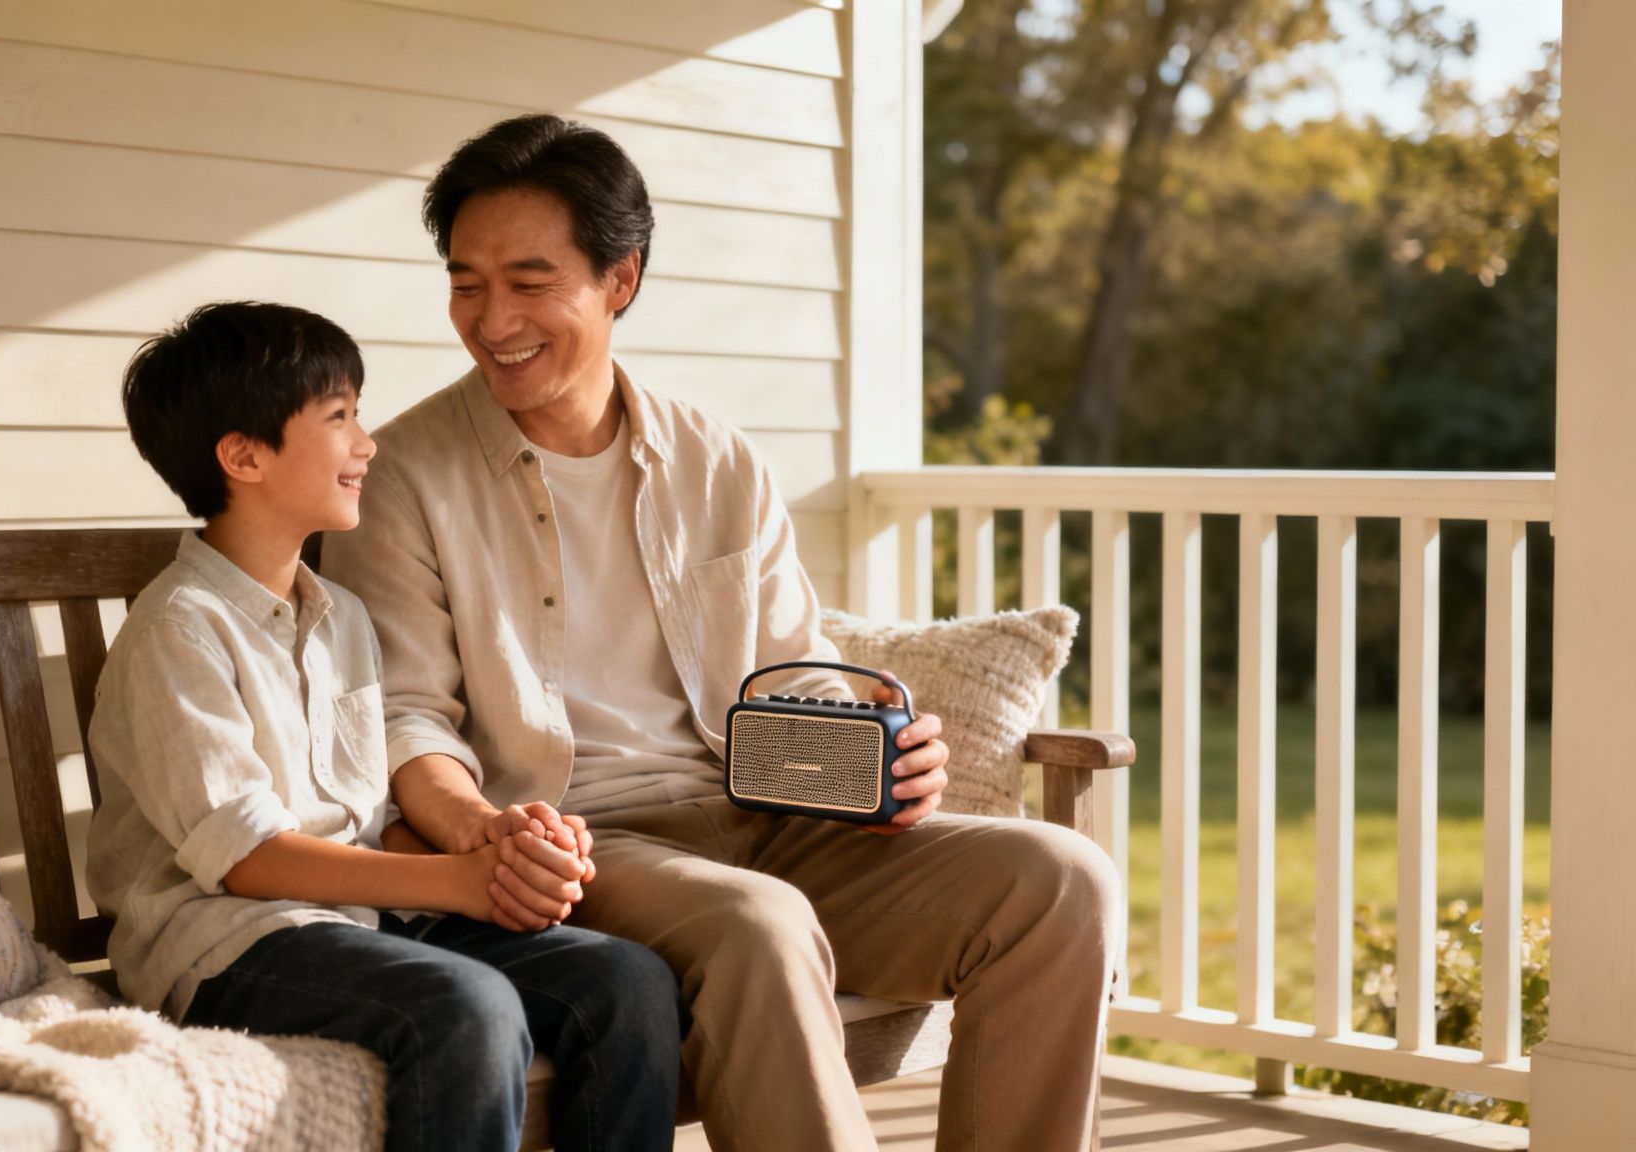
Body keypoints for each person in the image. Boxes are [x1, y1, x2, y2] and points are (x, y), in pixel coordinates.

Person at [320, 115, 1124, 1152]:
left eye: (528, 280)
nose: (490, 317)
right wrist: (483, 832)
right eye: (466, 282)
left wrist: (879, 769)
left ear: (620, 280)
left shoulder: (716, 460)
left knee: (1060, 883)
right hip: (581, 843)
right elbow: (404, 718)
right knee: (757, 924)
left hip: (770, 819)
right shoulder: (403, 477)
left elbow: (794, 674)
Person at [84, 301, 683, 1152]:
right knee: (468, 1009)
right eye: (339, 419)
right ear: (242, 455)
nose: (367, 444)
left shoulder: (341, 618)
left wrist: (492, 860)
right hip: (227, 946)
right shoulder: (179, 629)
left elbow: (363, 822)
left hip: (357, 919)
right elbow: (249, 859)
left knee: (625, 980)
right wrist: (457, 886)